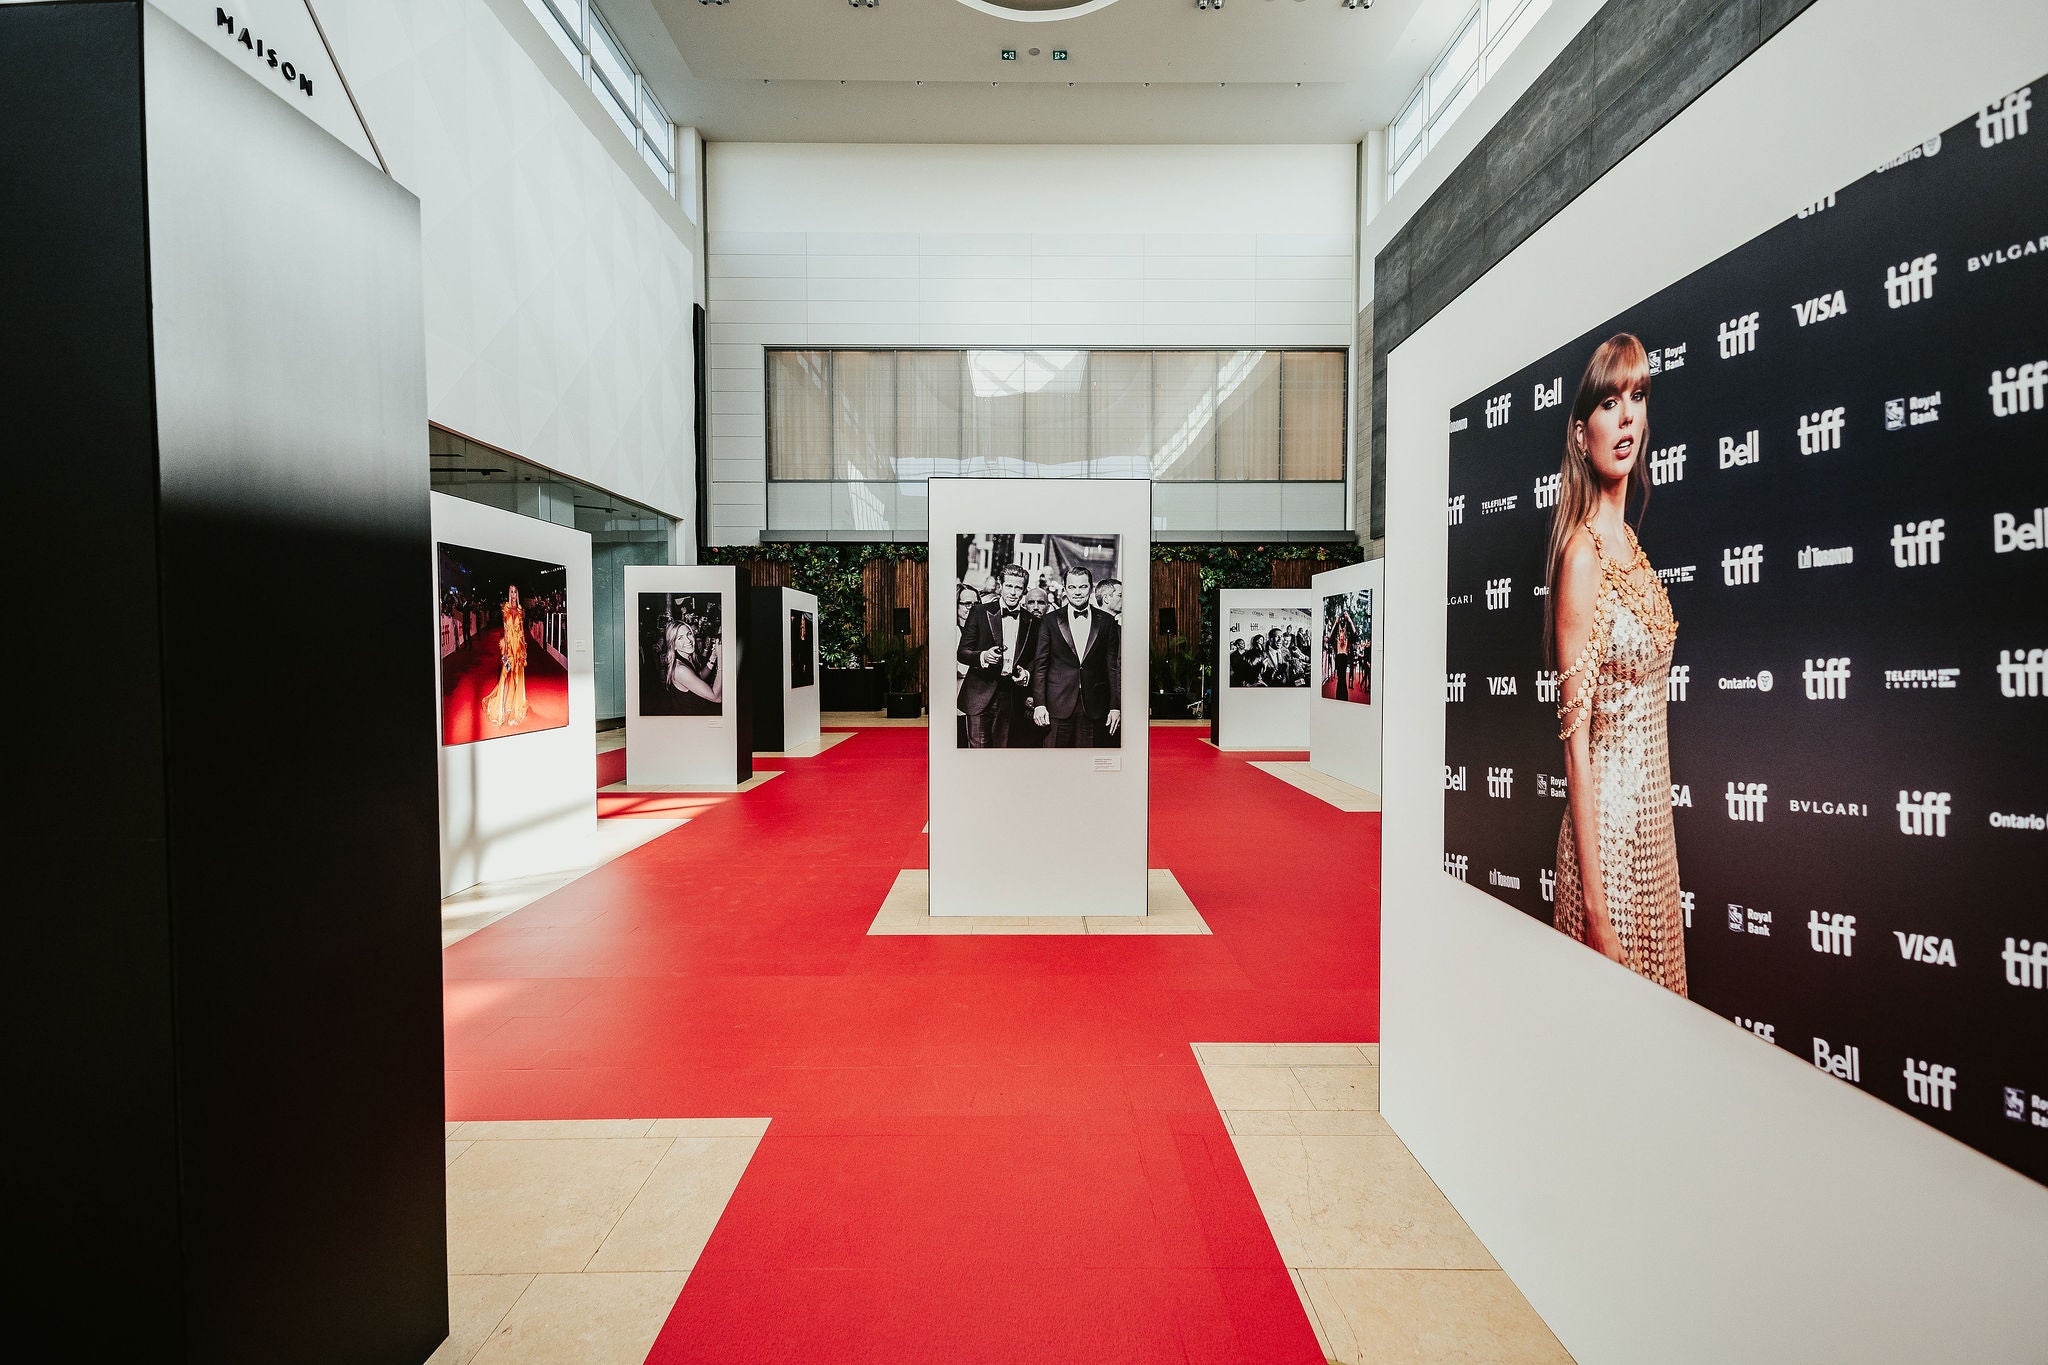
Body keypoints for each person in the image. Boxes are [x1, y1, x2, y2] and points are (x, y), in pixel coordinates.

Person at [1548, 333, 1685, 995]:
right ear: (1583, 432)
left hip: (1655, 837)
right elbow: (1576, 749)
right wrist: (1598, 915)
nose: (1626, 415)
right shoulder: (1582, 556)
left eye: (1637, 396)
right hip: (1608, 845)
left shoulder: (1629, 541)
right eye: (1609, 401)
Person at [1030, 565, 1122, 747]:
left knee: (1088, 767)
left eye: (1083, 587)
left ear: (1091, 588)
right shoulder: (1049, 621)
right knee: (1055, 767)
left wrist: (1114, 706)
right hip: (1056, 707)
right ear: (1065, 588)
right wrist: (1039, 704)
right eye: (1072, 587)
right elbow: (1040, 665)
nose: (1077, 592)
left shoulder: (1107, 622)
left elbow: (1112, 667)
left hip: (1094, 707)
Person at [957, 565, 1036, 748]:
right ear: (1001, 586)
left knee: (1003, 753)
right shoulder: (979, 612)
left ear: (1024, 590)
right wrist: (983, 656)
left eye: (1018, 588)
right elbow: (962, 652)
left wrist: (1027, 673)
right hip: (979, 694)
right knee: (979, 754)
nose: (1013, 592)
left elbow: (1035, 659)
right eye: (1009, 586)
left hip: (1011, 697)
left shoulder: (1032, 621)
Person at [482, 583, 530, 726]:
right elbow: (506, 631)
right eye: (511, 592)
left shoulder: (520, 610)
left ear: (517, 594)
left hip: (519, 648)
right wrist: (507, 650)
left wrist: (525, 649)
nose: (513, 595)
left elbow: (521, 632)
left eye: (515, 592)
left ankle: (515, 705)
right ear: (509, 594)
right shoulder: (505, 610)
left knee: (517, 676)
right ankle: (500, 707)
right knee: (505, 674)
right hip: (509, 649)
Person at [664, 602, 722, 706]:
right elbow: (716, 697)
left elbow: (699, 677)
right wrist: (722, 661)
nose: (688, 640)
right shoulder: (680, 670)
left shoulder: (688, 657)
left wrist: (713, 656)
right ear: (674, 645)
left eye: (689, 634)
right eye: (680, 638)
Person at [1327, 606, 1356, 699]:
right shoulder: (1336, 641)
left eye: (1343, 631)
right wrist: (1336, 623)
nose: (1342, 633)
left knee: (1342, 680)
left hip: (1344, 659)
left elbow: (1355, 635)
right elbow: (1330, 638)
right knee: (1341, 680)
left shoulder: (1348, 639)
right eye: (1340, 631)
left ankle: (1343, 698)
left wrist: (1349, 620)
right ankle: (1340, 698)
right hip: (1339, 659)